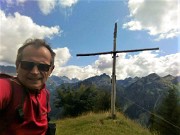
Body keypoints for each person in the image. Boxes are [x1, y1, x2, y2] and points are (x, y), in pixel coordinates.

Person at [0, 38, 56, 135]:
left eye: (43, 67)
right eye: (27, 65)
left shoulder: (45, 93)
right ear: (17, 66)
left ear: (51, 70)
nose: (35, 72)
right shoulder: (7, 87)